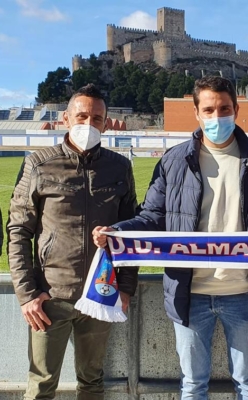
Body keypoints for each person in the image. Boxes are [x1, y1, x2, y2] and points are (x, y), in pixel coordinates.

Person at [92, 76, 248, 399]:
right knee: (193, 384)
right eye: (208, 109)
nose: (217, 116)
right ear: (196, 112)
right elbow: (152, 217)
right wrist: (118, 232)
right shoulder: (173, 160)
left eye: (224, 108)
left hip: (246, 292)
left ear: (237, 110)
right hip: (188, 292)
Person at [7, 84, 138, 400]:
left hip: (100, 293)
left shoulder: (120, 167)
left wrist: (126, 289)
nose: (89, 124)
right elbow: (18, 231)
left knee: (92, 383)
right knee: (41, 385)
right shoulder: (39, 164)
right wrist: (27, 295)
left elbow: (131, 232)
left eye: (96, 118)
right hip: (50, 296)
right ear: (65, 118)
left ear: (105, 124)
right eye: (82, 116)